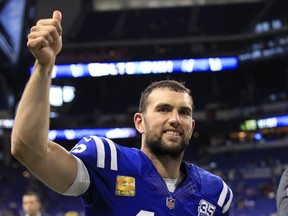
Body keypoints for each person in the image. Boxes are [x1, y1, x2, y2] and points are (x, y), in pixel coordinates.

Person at [11, 10, 233, 215]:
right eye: (163, 109)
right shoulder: (107, 161)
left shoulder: (216, 194)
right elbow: (29, 149)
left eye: (184, 113)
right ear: (140, 122)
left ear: (192, 126)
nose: (175, 119)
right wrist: (44, 66)